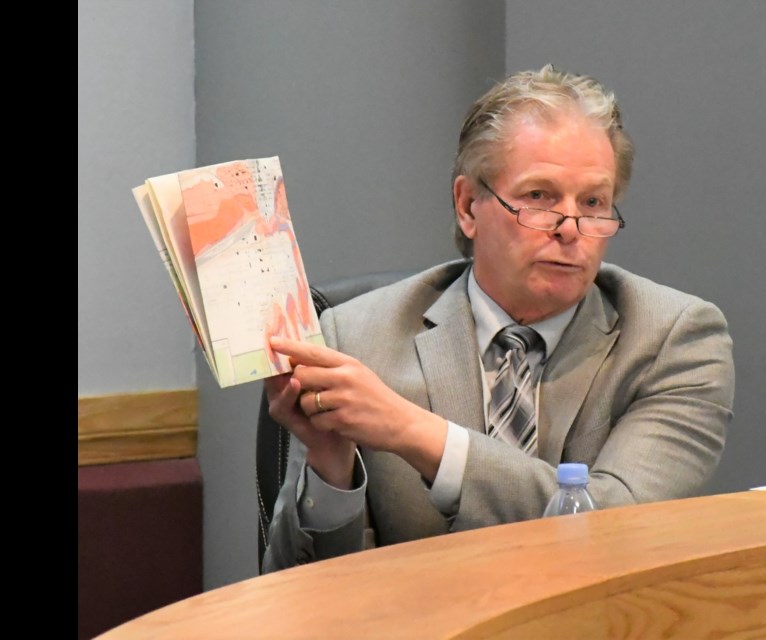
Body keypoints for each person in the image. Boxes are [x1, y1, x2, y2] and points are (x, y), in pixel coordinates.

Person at [261, 65, 735, 572]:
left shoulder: (676, 340)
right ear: (468, 205)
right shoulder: (357, 337)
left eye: (594, 202)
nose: (571, 228)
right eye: (539, 197)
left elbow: (609, 529)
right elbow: (298, 587)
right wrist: (332, 469)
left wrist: (415, 433)